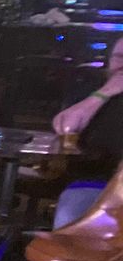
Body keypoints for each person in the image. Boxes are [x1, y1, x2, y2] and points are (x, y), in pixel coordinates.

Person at [51, 34, 123, 224]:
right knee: (71, 211)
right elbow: (64, 126)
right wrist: (105, 93)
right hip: (96, 182)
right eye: (119, 58)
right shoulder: (92, 87)